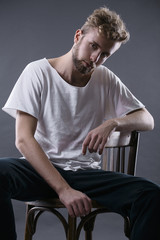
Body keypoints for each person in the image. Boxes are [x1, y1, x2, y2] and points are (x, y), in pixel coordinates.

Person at [1, 6, 160, 240]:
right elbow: (23, 139)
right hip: (41, 171)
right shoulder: (37, 72)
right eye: (93, 46)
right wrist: (64, 190)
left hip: (85, 174)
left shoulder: (105, 78)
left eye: (105, 54)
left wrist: (113, 123)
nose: (96, 58)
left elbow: (147, 120)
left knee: (150, 195)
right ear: (78, 37)